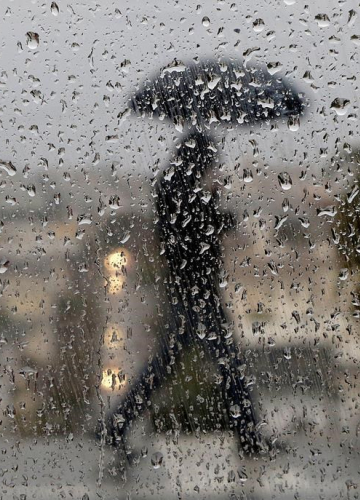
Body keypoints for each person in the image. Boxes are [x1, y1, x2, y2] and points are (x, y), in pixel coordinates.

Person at [101, 131, 277, 458]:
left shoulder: (171, 186)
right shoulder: (178, 190)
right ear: (199, 158)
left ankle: (117, 425)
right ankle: (250, 438)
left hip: (189, 289)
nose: (213, 167)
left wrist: (211, 200)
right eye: (210, 161)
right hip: (196, 292)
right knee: (228, 365)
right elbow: (195, 231)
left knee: (167, 367)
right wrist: (213, 202)